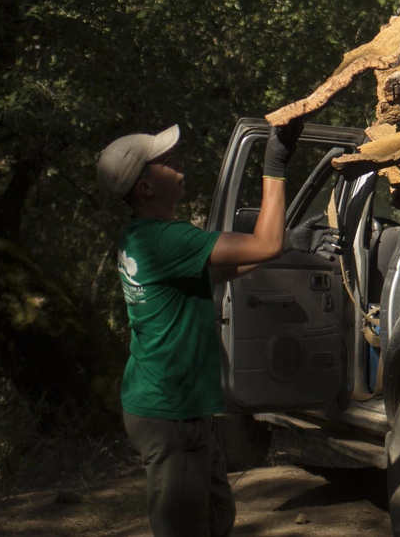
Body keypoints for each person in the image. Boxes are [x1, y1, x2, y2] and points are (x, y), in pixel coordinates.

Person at [96, 122, 299, 537]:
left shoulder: (142, 237)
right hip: (171, 412)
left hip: (168, 406)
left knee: (216, 517)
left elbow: (222, 269)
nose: (179, 163)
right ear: (146, 188)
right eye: (166, 161)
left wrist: (276, 242)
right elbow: (265, 245)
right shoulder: (168, 240)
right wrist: (274, 165)